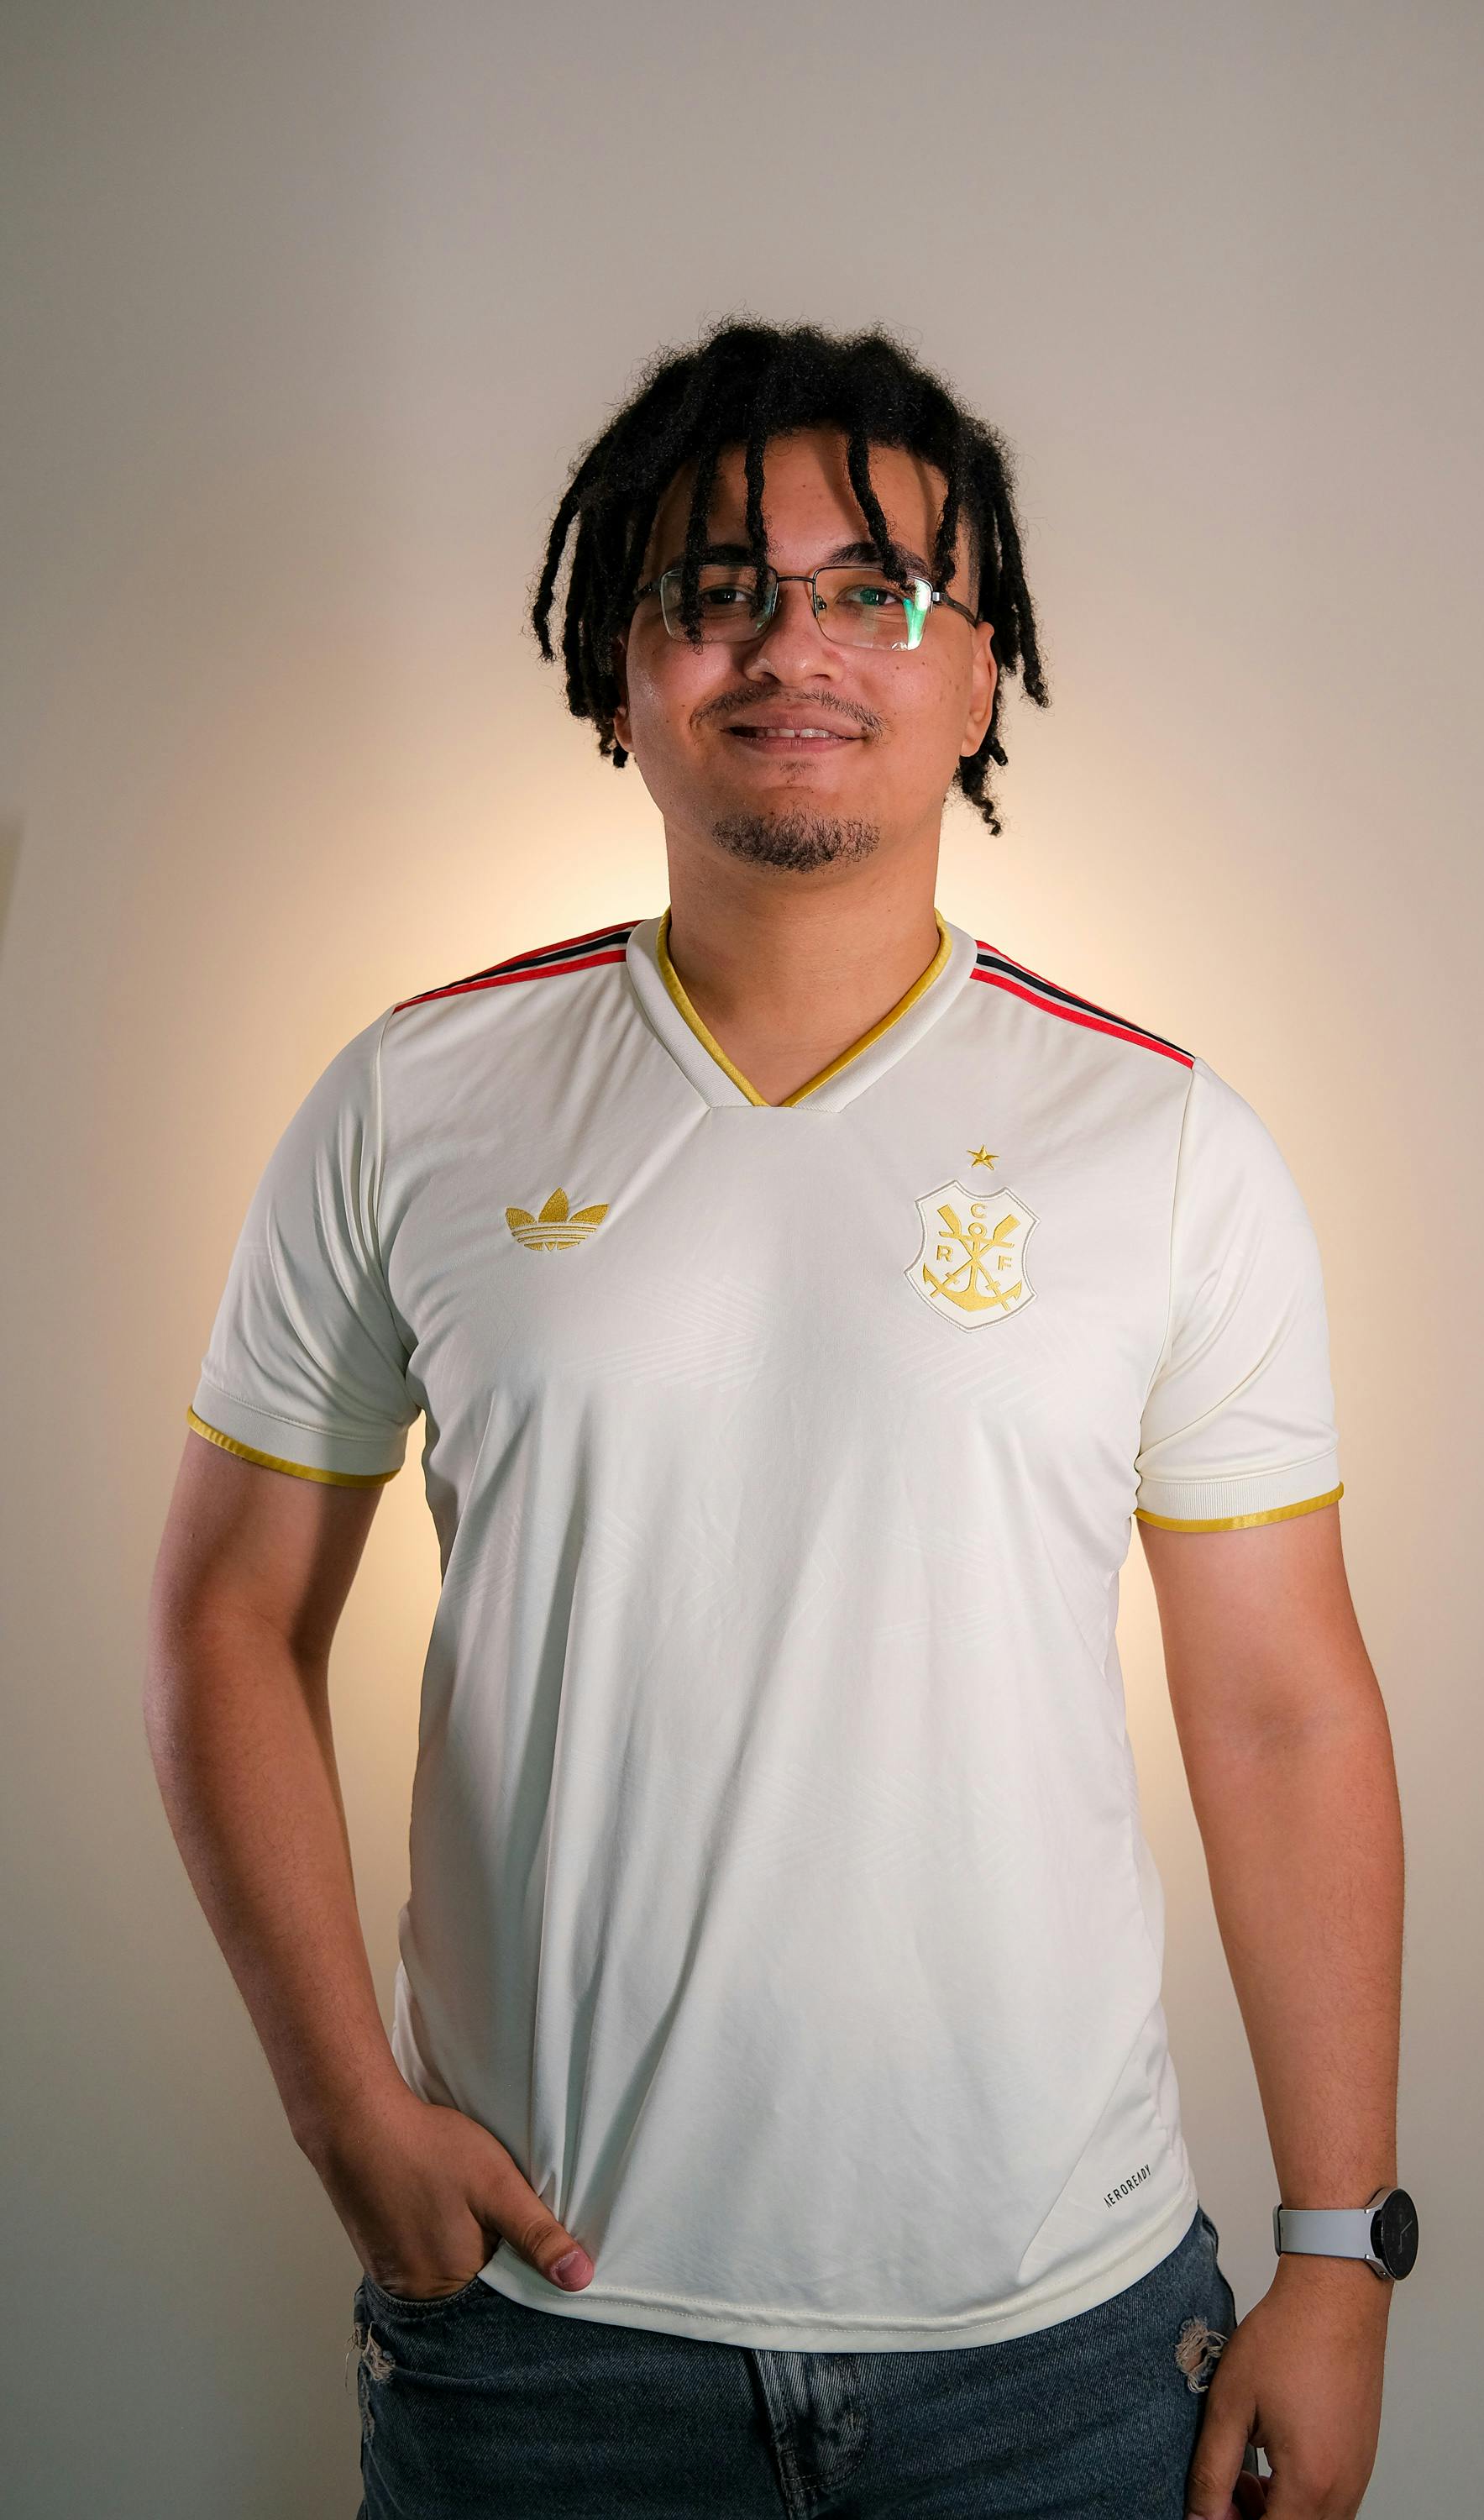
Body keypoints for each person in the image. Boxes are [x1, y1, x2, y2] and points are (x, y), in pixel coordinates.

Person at [146, 316, 1408, 2520]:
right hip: (542, 2344)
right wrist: (346, 2110)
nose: (793, 646)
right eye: (717, 590)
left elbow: (1284, 1706)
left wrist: (1338, 2253)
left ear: (979, 667)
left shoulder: (1165, 1144)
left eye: (872, 593)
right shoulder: (417, 1100)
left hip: (1057, 2351)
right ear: (619, 664)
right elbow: (227, 1618)